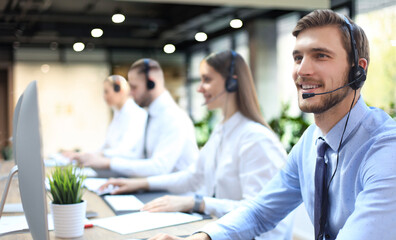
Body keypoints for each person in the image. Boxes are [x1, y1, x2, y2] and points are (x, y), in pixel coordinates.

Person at [147, 9, 396, 240]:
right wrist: (203, 237)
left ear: (358, 71)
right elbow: (260, 210)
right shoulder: (311, 142)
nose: (302, 70)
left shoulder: (386, 151)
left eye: (321, 56)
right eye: (298, 57)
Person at [100, 50, 294, 240]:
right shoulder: (221, 131)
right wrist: (138, 183)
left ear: (232, 81)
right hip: (219, 231)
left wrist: (197, 202)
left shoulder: (256, 139)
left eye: (207, 80)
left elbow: (258, 213)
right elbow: (193, 176)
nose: (199, 88)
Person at [76, 59, 199, 177]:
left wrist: (109, 162)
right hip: (161, 191)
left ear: (151, 83)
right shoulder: (151, 115)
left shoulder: (174, 117)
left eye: (134, 87)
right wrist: (97, 158)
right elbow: (137, 156)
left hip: (179, 195)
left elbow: (159, 167)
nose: (130, 93)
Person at [63, 75, 147, 174]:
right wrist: (84, 155)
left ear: (119, 89)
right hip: (114, 169)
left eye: (107, 92)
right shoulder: (118, 114)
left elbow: (126, 151)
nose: (104, 96)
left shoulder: (136, 114)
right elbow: (106, 145)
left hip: (126, 171)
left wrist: (98, 155)